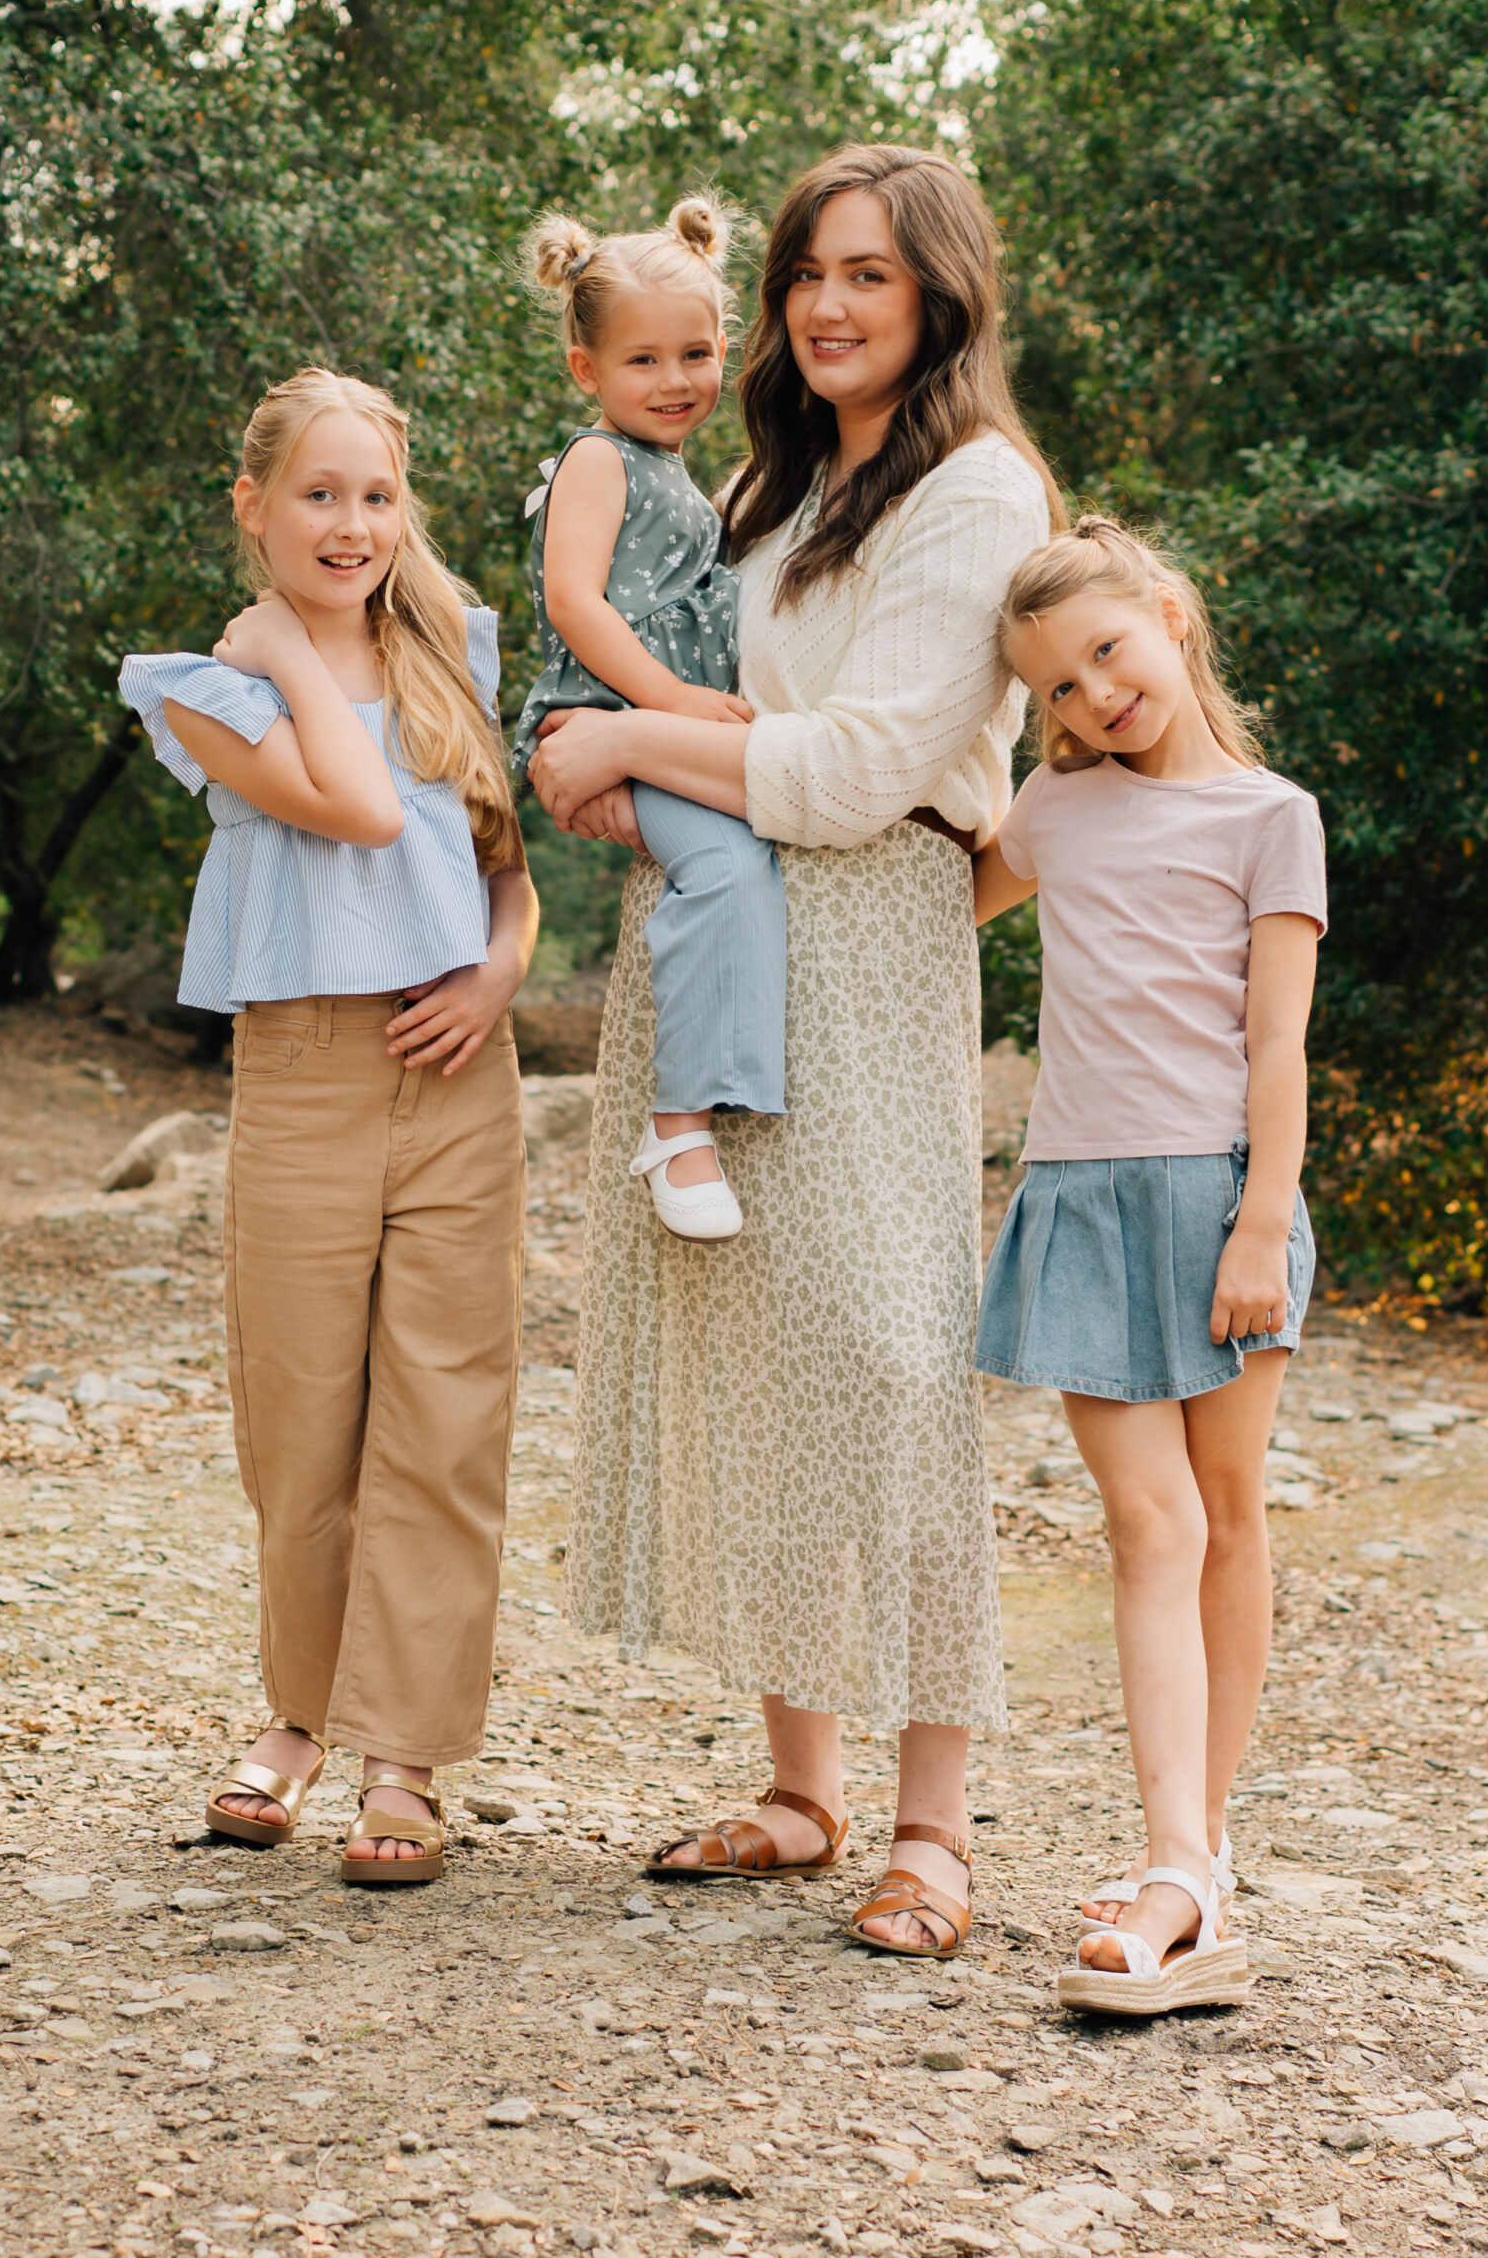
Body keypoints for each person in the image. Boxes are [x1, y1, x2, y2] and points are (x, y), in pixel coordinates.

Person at [529, 145, 1063, 1958]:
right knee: (757, 1348)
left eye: (868, 276)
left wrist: (624, 751)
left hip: (867, 939)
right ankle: (798, 1787)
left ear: (939, 296)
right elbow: (688, 701)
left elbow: (849, 772)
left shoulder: (977, 492)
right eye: (805, 275)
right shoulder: (761, 478)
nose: (827, 306)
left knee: (892, 1357)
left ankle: (933, 1826)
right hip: (723, 932)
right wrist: (596, 762)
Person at [119, 367, 537, 1886]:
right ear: (255, 506)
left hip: (454, 1070)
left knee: (443, 1418)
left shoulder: (457, 655)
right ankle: (297, 1716)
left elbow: (498, 869)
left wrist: (499, 972)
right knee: (302, 1424)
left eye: (376, 496)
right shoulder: (205, 686)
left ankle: (402, 1760)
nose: (351, 524)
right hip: (302, 1066)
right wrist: (295, 653)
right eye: (318, 494)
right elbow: (357, 809)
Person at [972, 514, 1327, 2014]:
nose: (1090, 698)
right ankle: (1178, 1860)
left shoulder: (1268, 815)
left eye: (1104, 653)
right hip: (1073, 1195)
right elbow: (917, 908)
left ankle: (1193, 1856)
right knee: (1143, 1524)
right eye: (1052, 687)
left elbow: (1273, 1041)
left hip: (1217, 1201)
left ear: (1169, 618)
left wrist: (1259, 1220)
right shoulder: (1049, 813)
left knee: (1225, 1518)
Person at [513, 197, 787, 1241]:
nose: (675, 382)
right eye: (643, 362)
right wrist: (673, 703)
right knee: (723, 866)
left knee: (743, 857)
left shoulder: (679, 473)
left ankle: (726, 1090)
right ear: (588, 370)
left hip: (658, 725)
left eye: (697, 354)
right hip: (605, 712)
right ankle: (678, 1126)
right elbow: (576, 600)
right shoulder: (596, 460)